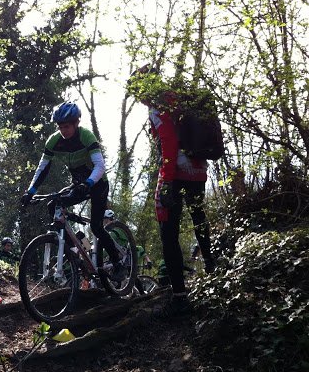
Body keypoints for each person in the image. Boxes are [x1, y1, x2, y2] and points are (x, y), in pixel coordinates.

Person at [128, 66, 216, 316]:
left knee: (168, 231)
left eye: (138, 91)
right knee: (200, 220)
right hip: (198, 169)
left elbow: (168, 142)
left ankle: (179, 296)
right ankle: (213, 272)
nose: (138, 97)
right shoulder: (180, 97)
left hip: (174, 174)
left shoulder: (158, 107)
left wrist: (166, 180)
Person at [20, 101, 127, 283]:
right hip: (78, 184)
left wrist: (89, 182)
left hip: (98, 183)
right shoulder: (54, 141)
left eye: (67, 126)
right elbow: (43, 168)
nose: (64, 130)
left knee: (96, 226)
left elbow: (100, 166)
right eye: (61, 127)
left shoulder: (86, 136)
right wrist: (31, 191)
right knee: (53, 204)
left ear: (76, 123)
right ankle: (74, 252)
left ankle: (118, 263)